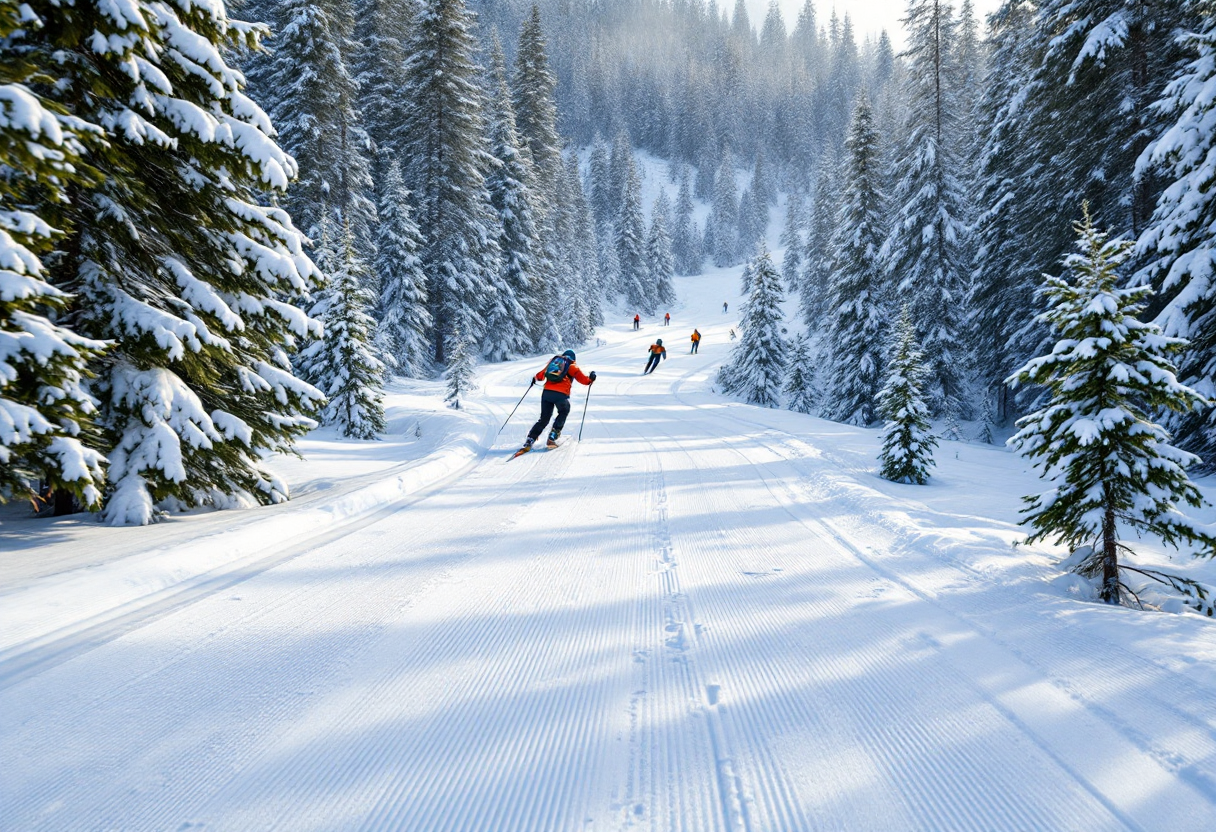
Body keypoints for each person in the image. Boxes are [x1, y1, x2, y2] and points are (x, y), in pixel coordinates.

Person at [520, 349, 595, 452]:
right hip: (561, 395)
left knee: (544, 418)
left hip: (546, 393)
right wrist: (591, 378)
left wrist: (535, 379)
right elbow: (584, 380)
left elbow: (540, 376)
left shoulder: (553, 363)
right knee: (564, 411)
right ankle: (552, 436)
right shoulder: (572, 366)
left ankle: (530, 439)